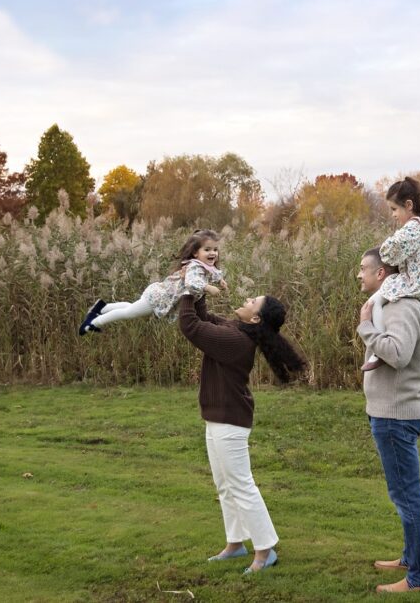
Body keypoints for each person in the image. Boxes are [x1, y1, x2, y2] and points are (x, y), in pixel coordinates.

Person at [177, 292, 306, 574]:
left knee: (241, 485)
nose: (247, 299)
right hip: (218, 418)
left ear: (256, 318)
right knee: (225, 485)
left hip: (230, 421)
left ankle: (265, 551)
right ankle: (235, 544)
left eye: (252, 302)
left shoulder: (236, 340)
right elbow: (203, 317)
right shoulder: (236, 330)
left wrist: (187, 291)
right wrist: (198, 287)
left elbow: (190, 326)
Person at [357, 246, 420, 593]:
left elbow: (398, 354)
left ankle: (419, 578)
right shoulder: (396, 303)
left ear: (381, 273)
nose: (359, 274)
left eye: (363, 268)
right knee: (404, 492)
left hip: (395, 414)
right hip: (393, 411)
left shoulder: (401, 305)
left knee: (406, 495)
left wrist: (366, 327)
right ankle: (410, 558)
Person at [362, 177, 420, 371]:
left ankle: (381, 345)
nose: (393, 215)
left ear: (408, 205)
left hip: (411, 282)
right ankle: (381, 344)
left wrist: (385, 248)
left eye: (394, 209)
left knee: (373, 303)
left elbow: (389, 252)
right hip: (416, 281)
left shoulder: (413, 228)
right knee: (378, 299)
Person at [79, 229, 225, 335]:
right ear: (195, 253)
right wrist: (207, 287)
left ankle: (100, 307)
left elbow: (212, 274)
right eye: (207, 249)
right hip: (158, 298)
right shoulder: (194, 267)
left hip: (160, 295)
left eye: (215, 249)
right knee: (128, 313)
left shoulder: (204, 266)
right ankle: (92, 322)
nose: (213, 253)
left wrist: (220, 281)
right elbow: (192, 283)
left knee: (131, 307)